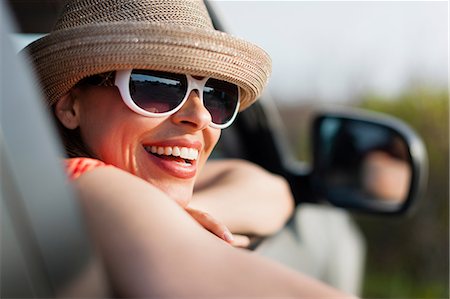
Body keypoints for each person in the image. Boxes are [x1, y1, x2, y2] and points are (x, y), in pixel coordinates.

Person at [23, 0, 355, 297]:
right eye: (155, 86)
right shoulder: (86, 183)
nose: (200, 116)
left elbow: (273, 190)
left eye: (216, 96)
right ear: (70, 107)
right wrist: (158, 218)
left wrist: (171, 214)